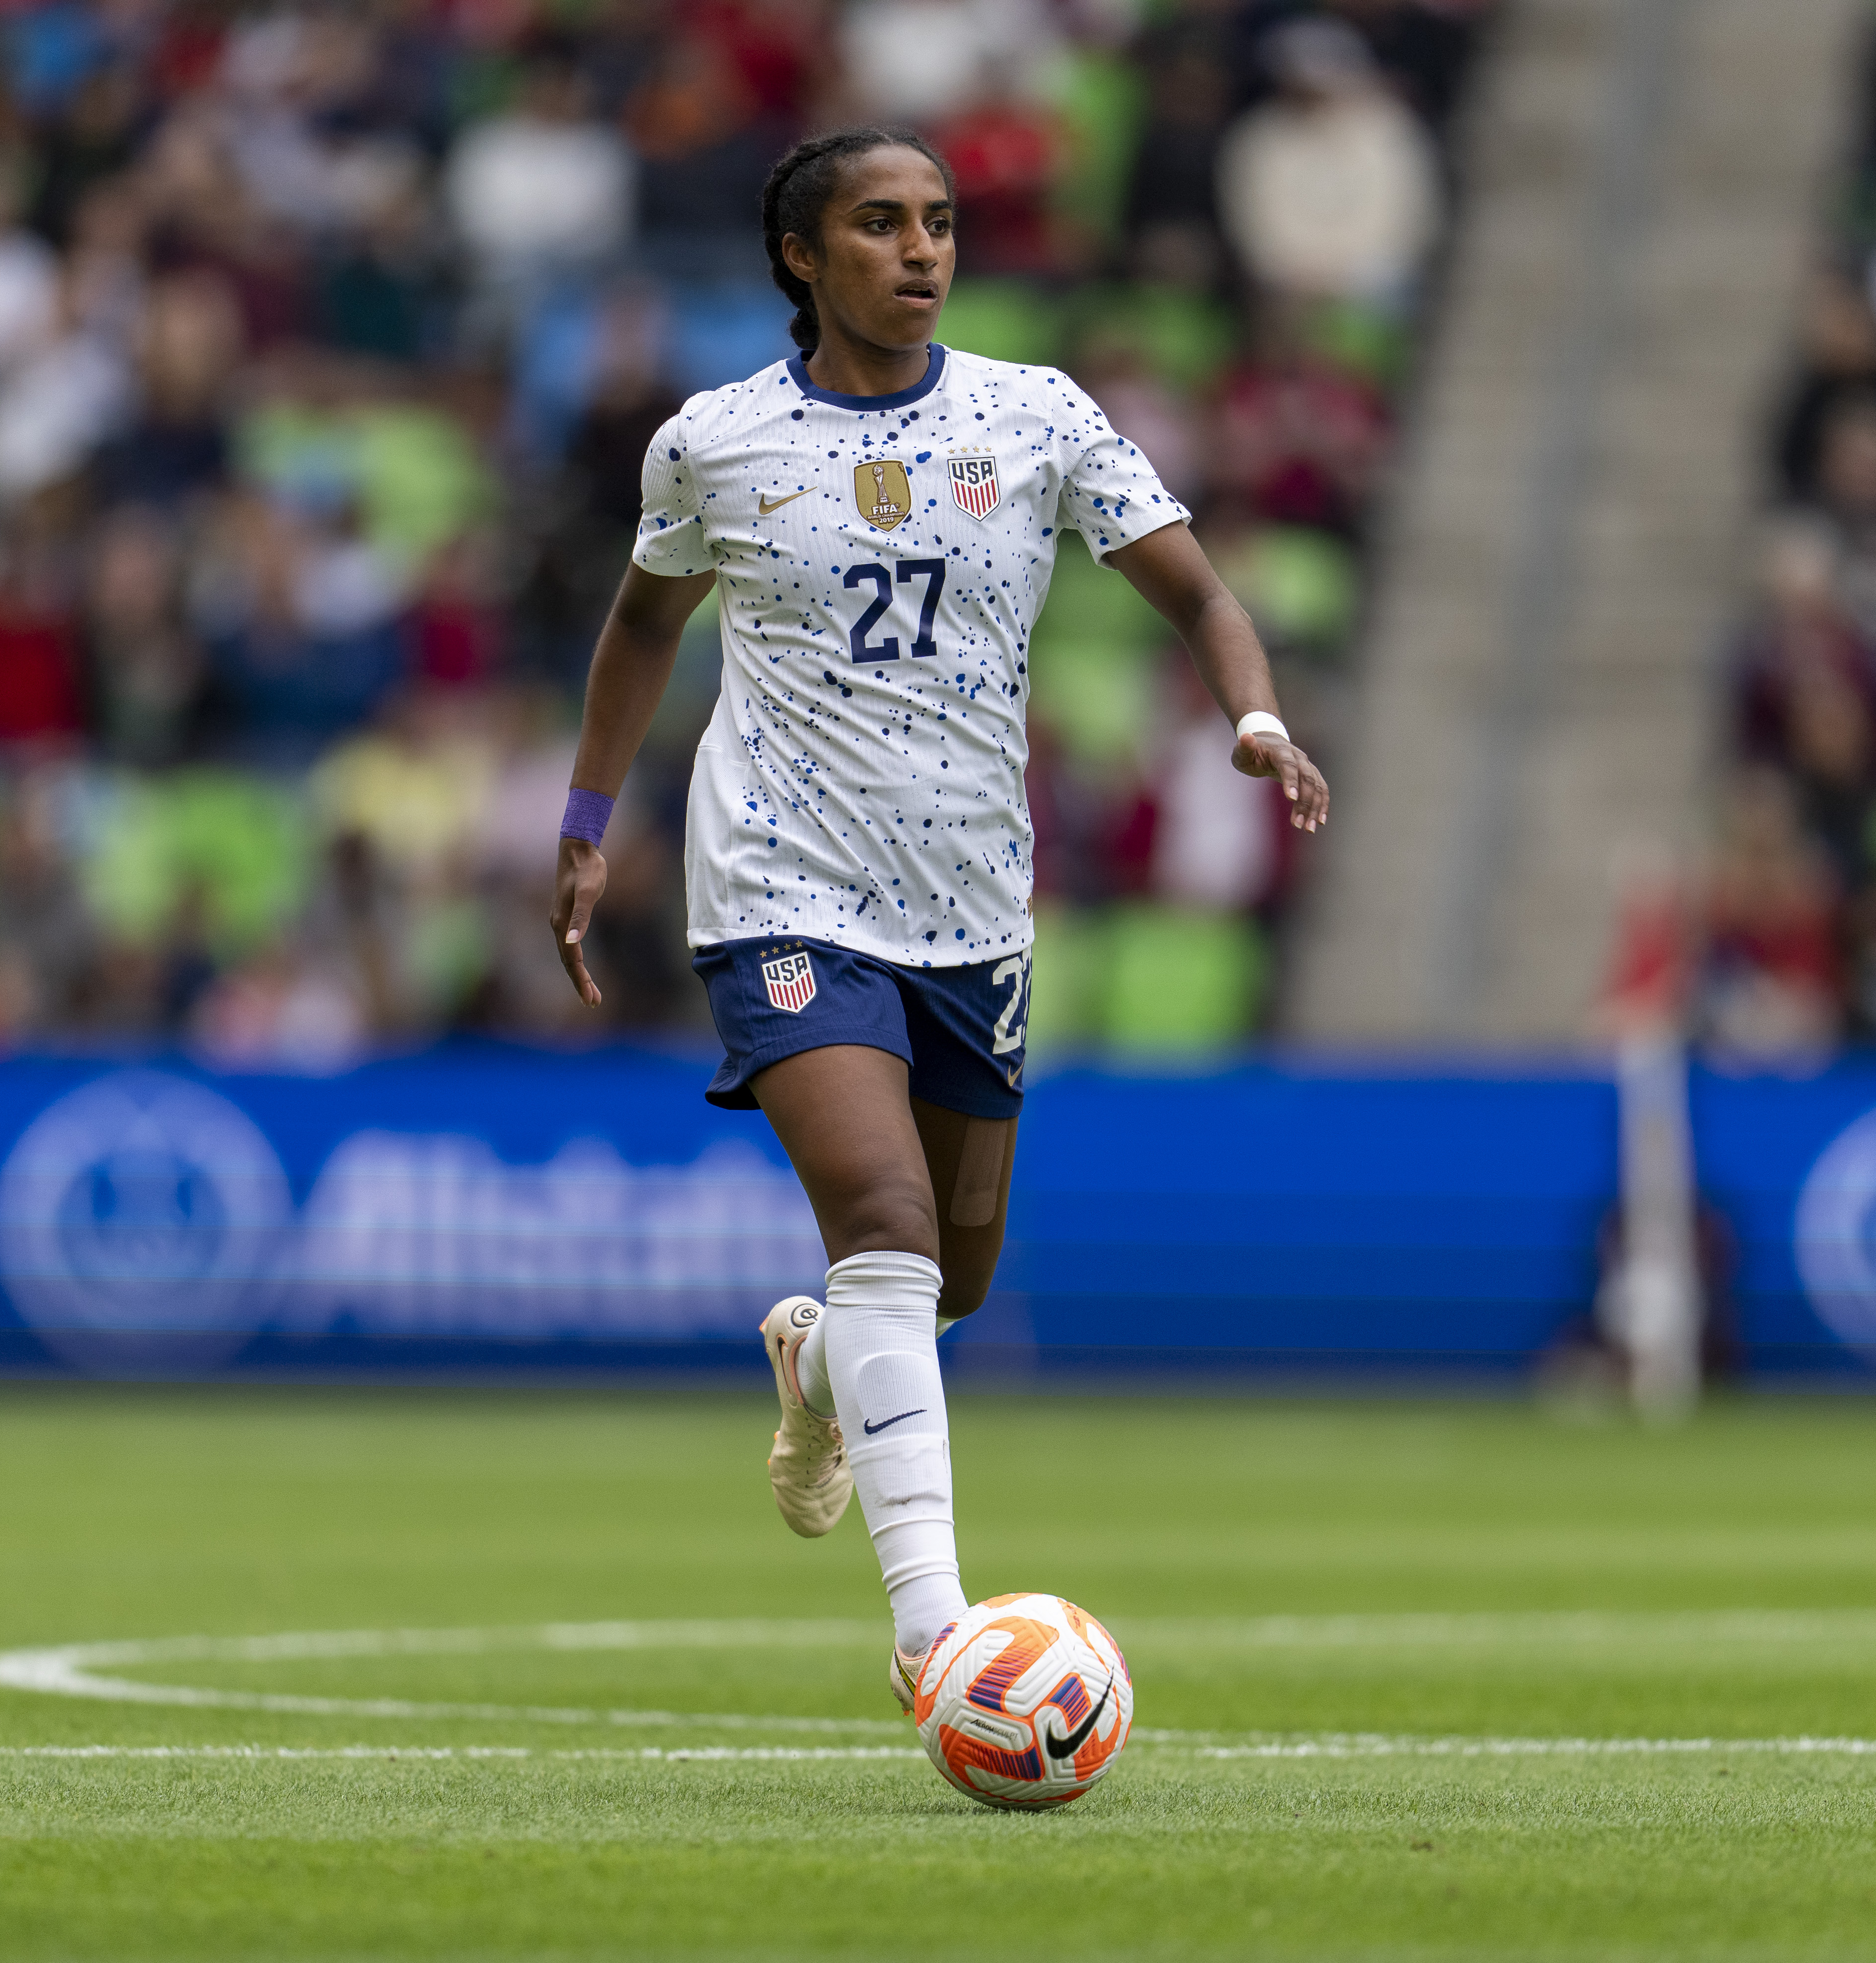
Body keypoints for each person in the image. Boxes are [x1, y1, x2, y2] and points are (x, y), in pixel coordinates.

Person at [547, 127, 1329, 1708]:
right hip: (780, 883)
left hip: (972, 906)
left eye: (942, 224)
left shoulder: (1035, 417)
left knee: (946, 1286)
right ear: (802, 257)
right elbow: (642, 624)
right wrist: (585, 820)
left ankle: (825, 1366)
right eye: (882, 225)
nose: (921, 251)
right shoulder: (716, 443)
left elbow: (1199, 593)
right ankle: (938, 1639)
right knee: (888, 1227)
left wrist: (1254, 717)